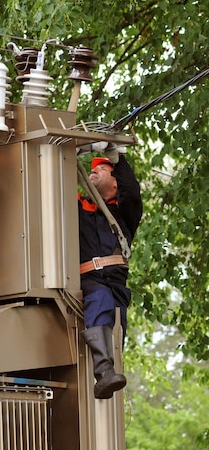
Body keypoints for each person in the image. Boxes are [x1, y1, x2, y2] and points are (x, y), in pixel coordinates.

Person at [78, 144, 142, 399]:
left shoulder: (124, 213)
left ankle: (108, 378)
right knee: (99, 299)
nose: (93, 172)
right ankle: (104, 372)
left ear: (114, 183)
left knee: (117, 329)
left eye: (101, 169)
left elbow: (132, 191)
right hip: (89, 280)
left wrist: (118, 158)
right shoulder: (78, 208)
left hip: (116, 282)